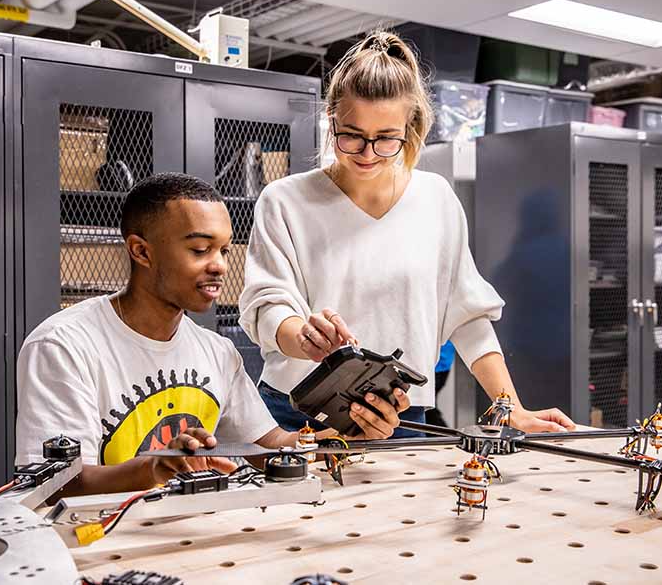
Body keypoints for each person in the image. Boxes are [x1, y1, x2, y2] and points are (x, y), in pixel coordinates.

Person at [239, 30, 576, 435]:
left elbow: (466, 314)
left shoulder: (435, 199)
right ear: (331, 119)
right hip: (300, 413)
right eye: (352, 135)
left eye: (385, 139)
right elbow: (268, 305)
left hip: (398, 414)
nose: (366, 153)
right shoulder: (285, 200)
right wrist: (303, 337)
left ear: (410, 128)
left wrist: (510, 408)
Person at [14, 173, 409, 495]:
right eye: (201, 249)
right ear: (142, 251)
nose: (220, 266)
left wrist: (345, 433)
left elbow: (265, 446)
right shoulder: (63, 346)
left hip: (193, 534)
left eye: (223, 250)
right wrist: (158, 466)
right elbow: (58, 484)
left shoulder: (217, 351)